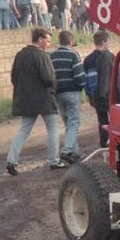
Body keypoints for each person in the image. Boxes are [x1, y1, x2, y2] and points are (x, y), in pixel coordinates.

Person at [6, 28, 66, 175]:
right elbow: (48, 78)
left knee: (24, 129)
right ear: (39, 40)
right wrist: (53, 89)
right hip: (44, 99)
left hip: (26, 99)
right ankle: (54, 161)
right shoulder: (42, 55)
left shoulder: (20, 55)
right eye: (47, 40)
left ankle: (11, 161)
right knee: (52, 129)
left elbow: (13, 77)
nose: (48, 44)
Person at [50, 30, 85, 163]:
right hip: (72, 92)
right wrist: (81, 86)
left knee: (68, 123)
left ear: (59, 41)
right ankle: (66, 150)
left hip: (58, 93)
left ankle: (74, 154)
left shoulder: (51, 55)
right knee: (74, 122)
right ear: (70, 41)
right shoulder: (73, 54)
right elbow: (79, 75)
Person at [83, 30, 115, 147]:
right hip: (108, 93)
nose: (109, 44)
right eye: (108, 42)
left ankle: (104, 141)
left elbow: (87, 78)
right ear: (104, 42)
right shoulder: (109, 56)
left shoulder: (88, 59)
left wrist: (89, 94)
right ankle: (114, 141)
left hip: (94, 93)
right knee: (115, 119)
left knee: (102, 120)